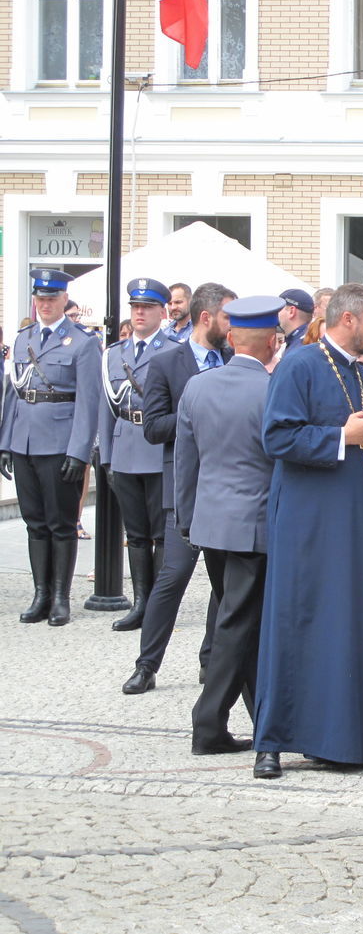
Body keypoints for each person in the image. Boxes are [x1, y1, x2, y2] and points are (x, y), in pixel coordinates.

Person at [254, 283, 363, 766]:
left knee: (350, 622)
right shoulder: (300, 364)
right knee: (299, 620)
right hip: (309, 519)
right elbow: (275, 438)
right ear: (349, 320)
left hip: (355, 518)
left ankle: (347, 740)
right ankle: (273, 742)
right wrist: (340, 435)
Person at [175, 296, 282, 769]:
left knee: (240, 623)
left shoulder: (198, 387)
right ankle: (208, 721)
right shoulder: (273, 391)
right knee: (237, 625)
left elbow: (186, 461)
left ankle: (262, 718)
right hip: (253, 525)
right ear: (273, 342)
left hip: (210, 522)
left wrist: (187, 518)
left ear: (233, 338)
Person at [121, 283, 234, 695]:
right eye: (227, 317)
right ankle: (146, 665)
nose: (232, 325)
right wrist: (195, 415)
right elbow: (152, 427)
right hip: (183, 487)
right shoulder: (168, 362)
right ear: (207, 318)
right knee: (173, 577)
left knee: (225, 582)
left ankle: (212, 661)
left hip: (225, 487)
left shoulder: (233, 360)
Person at [0, 269, 102, 627]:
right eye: (39, 299)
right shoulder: (23, 336)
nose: (44, 304)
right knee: (34, 523)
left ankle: (60, 597)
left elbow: (89, 402)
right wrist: (4, 442)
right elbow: (14, 392)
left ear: (64, 300)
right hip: (24, 440)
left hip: (59, 443)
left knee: (61, 524)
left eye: (51, 298)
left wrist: (78, 450)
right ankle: (40, 594)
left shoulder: (83, 342)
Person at [100, 278, 175, 632]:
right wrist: (106, 456)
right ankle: (141, 601)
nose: (139, 313)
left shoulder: (174, 350)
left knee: (161, 533)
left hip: (158, 448)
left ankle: (159, 606)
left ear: (163, 311)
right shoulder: (115, 353)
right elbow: (106, 407)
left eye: (146, 307)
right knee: (136, 533)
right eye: (135, 307)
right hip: (126, 446)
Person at [276, 288, 314, 358]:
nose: (275, 314)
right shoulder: (309, 340)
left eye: (278, 309)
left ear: (291, 311)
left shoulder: (299, 350)